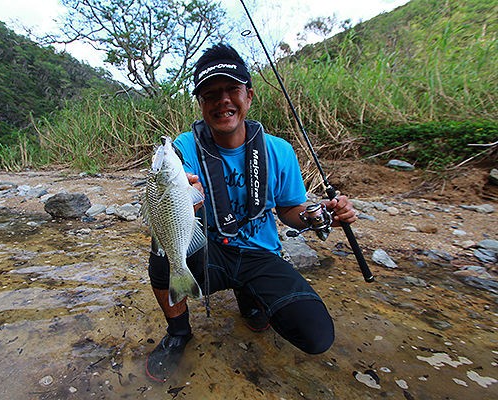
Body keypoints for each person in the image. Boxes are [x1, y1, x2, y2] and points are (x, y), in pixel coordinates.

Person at [145, 43, 357, 383]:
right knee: (162, 255)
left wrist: (319, 214)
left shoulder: (279, 150)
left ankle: (250, 295)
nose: (223, 100)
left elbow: (290, 210)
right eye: (211, 94)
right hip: (212, 249)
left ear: (249, 95)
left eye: (232, 89)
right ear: (201, 105)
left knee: (316, 336)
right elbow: (168, 184)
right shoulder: (185, 146)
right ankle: (179, 332)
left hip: (261, 254)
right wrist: (182, 190)